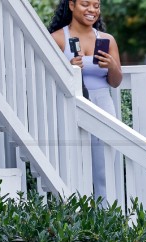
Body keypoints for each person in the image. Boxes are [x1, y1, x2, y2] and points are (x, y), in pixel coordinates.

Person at [49, 0, 123, 204]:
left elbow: (115, 82)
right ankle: (74, 218)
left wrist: (112, 65)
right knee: (74, 164)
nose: (92, 10)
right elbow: (49, 80)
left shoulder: (107, 39)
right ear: (71, 5)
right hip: (72, 106)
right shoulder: (58, 39)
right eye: (85, 4)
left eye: (96, 6)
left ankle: (105, 218)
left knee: (104, 166)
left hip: (103, 105)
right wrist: (70, 68)